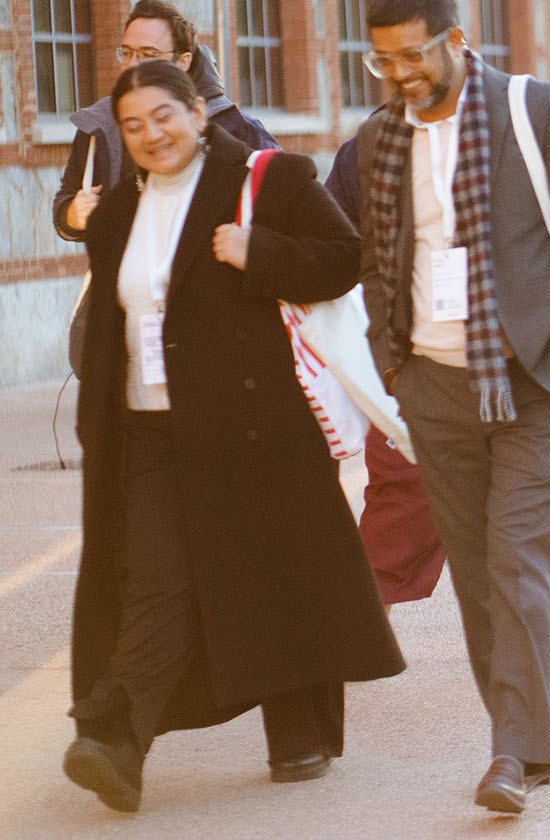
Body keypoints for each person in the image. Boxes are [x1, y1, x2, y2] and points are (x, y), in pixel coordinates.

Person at [64, 60, 402, 814]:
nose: (152, 134)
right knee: (154, 577)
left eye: (164, 116)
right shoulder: (118, 211)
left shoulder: (268, 180)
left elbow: (345, 260)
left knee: (274, 571)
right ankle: (115, 741)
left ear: (196, 110)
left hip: (254, 426)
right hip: (147, 427)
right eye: (133, 125)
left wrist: (263, 255)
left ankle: (299, 735)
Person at [356, 0, 550, 814]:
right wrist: (390, 363)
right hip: (432, 386)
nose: (399, 74)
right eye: (382, 60)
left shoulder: (531, 111)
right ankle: (534, 745)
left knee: (517, 560)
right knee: (475, 573)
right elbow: (370, 259)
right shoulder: (378, 140)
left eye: (412, 55)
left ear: (456, 39)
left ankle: (507, 753)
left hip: (534, 380)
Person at [322, 134, 448, 608]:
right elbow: (333, 239)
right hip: (402, 346)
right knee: (400, 482)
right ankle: (367, 624)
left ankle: (509, 631)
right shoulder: (368, 148)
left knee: (501, 499)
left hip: (492, 345)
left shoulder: (505, 124)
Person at [55, 0, 278, 243]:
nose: (132, 65)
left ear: (183, 62)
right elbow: (67, 201)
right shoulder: (98, 124)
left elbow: (286, 217)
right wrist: (73, 216)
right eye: (126, 53)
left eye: (148, 55)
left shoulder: (239, 130)